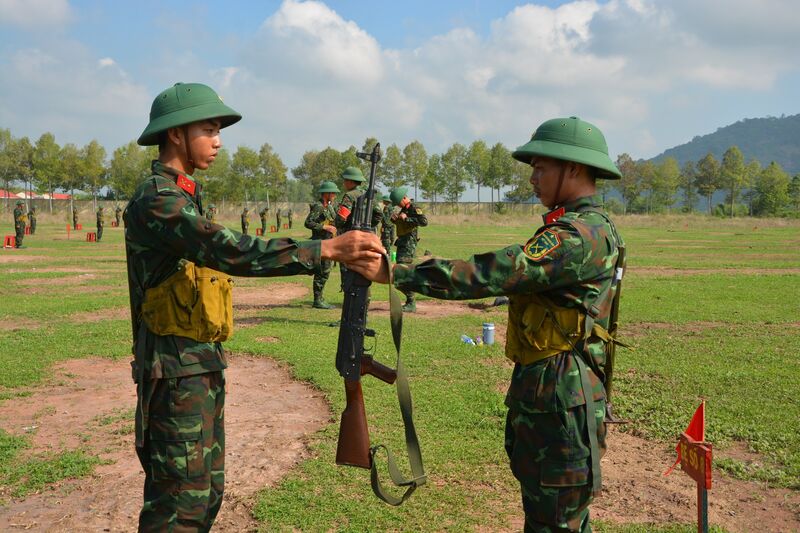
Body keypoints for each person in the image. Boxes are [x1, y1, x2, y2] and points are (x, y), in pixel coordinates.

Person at [125, 82, 383, 532]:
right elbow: (230, 250)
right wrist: (324, 250)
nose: (219, 140)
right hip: (172, 375)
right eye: (209, 129)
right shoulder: (158, 199)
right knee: (178, 508)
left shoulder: (184, 193)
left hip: (197, 369)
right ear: (176, 135)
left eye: (218, 129)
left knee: (204, 497)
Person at [364, 117, 624, 532]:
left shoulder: (577, 235)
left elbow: (495, 273)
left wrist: (398, 272)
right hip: (554, 395)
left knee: (554, 523)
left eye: (542, 167)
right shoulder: (585, 227)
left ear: (573, 169)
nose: (534, 177)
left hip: (561, 403)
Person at [389, 186, 428, 312]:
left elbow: (424, 221)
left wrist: (407, 218)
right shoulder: (403, 209)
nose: (398, 206)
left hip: (408, 245)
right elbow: (403, 224)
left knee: (401, 272)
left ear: (403, 199)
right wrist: (395, 220)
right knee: (400, 273)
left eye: (398, 203)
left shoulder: (413, 208)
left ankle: (411, 302)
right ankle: (410, 300)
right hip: (402, 243)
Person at [304, 181, 339, 309]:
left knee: (325, 272)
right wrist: (324, 227)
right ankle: (317, 300)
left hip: (328, 243)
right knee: (322, 272)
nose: (335, 195)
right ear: (326, 194)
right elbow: (308, 223)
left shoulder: (328, 207)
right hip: (320, 243)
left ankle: (319, 298)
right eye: (333, 193)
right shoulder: (319, 207)